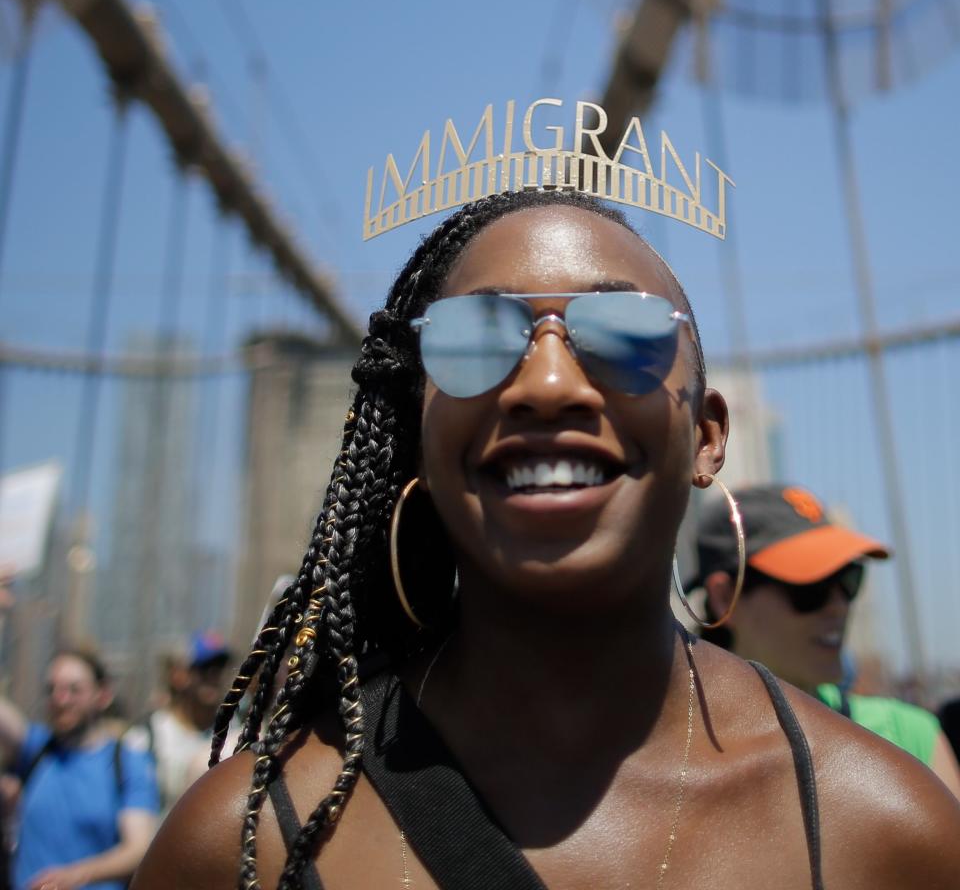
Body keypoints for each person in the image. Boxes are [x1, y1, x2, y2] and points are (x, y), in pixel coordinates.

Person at [133, 187, 960, 889]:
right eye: (475, 339)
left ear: (709, 437)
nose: (549, 383)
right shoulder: (240, 845)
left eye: (626, 334)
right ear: (418, 433)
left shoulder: (887, 835)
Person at [689, 481, 960, 795]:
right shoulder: (677, 753)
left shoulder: (908, 738)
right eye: (811, 589)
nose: (839, 605)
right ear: (725, 597)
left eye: (847, 579)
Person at [0, 646, 158, 890]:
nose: (60, 700)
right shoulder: (35, 750)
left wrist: (75, 876)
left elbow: (138, 848)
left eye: (74, 690)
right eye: (52, 689)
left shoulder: (127, 762)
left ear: (102, 695)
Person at [134, 633, 232, 815]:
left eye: (220, 668)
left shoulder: (237, 734)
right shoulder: (148, 736)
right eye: (203, 668)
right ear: (179, 675)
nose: (213, 676)